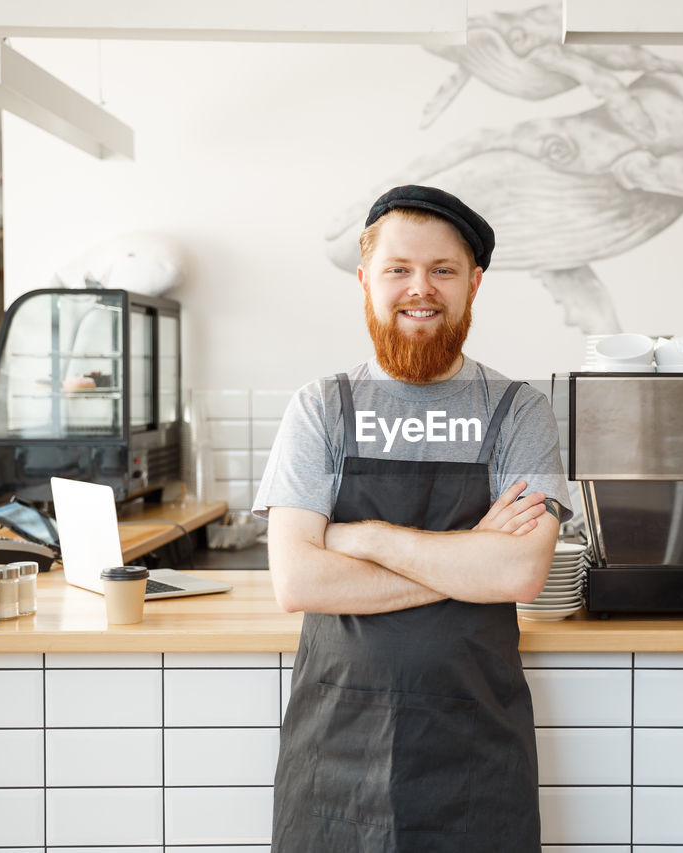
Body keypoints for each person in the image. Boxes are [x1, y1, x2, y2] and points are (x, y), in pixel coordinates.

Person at [253, 184, 572, 852]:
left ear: (474, 284)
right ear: (366, 280)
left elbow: (519, 571)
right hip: (334, 751)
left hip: (475, 759)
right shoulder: (321, 408)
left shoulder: (521, 412)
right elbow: (299, 581)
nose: (419, 288)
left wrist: (362, 537)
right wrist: (468, 559)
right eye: (399, 269)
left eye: (443, 270)